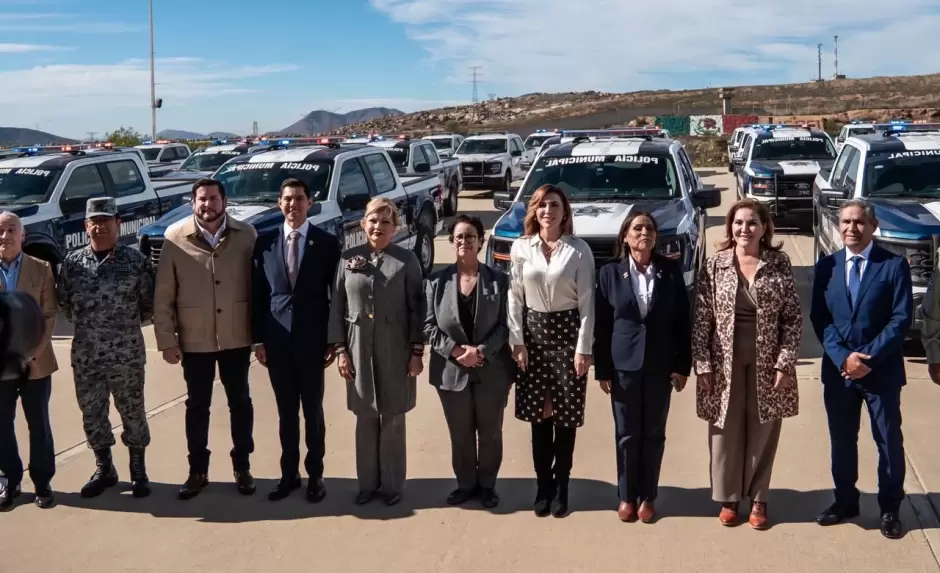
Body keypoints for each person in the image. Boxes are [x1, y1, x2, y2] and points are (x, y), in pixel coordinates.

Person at [692, 198, 802, 530]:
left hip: (768, 362)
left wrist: (784, 362)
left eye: (752, 223)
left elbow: (792, 318)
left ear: (765, 227)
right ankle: (727, 497)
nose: (745, 229)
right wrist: (703, 365)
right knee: (724, 429)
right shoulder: (715, 265)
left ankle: (758, 499)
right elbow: (701, 319)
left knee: (763, 428)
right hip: (723, 361)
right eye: (738, 223)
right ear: (730, 228)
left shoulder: (779, 263)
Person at [810, 199, 912, 539]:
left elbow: (900, 320)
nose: (851, 228)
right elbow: (820, 319)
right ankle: (845, 501)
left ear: (873, 227)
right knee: (842, 440)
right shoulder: (827, 267)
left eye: (859, 222)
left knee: (887, 441)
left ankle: (890, 508)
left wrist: (866, 359)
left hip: (880, 373)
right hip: (839, 373)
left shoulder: (894, 266)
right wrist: (843, 358)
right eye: (846, 222)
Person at [154, 178, 258, 500]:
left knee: (240, 401)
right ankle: (197, 470)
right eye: (201, 199)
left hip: (236, 336)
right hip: (194, 339)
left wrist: (261, 336)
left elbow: (259, 287)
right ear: (193, 202)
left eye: (213, 198)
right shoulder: (174, 238)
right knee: (197, 406)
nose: (207, 204)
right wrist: (166, 340)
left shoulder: (247, 236)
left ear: (224, 201)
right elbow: (163, 295)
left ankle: (242, 465)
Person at [594, 211, 691, 524]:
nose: (644, 233)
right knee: (626, 433)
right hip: (623, 366)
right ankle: (626, 496)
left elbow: (682, 322)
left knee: (653, 433)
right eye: (637, 228)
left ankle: (648, 496)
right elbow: (603, 324)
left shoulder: (671, 270)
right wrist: (603, 369)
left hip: (660, 365)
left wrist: (681, 365)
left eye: (649, 228)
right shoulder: (609, 273)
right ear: (625, 236)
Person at [328, 197, 425, 506]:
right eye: (373, 220)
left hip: (395, 349)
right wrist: (341, 350)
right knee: (365, 417)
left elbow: (417, 309)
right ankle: (367, 484)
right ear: (363, 223)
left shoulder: (406, 260)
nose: (378, 226)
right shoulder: (348, 259)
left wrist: (417, 351)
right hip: (357, 349)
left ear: (395, 227)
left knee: (393, 418)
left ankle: (392, 485)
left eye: (385, 221)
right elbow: (337, 308)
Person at [57, 198, 155, 499]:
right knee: (92, 413)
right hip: (86, 355)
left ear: (118, 223)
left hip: (126, 353)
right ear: (86, 226)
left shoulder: (136, 262)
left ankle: (138, 468)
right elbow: (66, 306)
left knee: (133, 412)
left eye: (106, 220)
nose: (100, 226)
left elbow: (147, 307)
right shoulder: (72, 264)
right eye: (93, 222)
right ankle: (104, 468)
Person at [251, 178, 341, 503]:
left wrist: (334, 340)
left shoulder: (327, 244)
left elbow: (336, 296)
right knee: (286, 413)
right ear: (279, 203)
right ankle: (289, 475)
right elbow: (258, 296)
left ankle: (315, 475)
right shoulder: (264, 244)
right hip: (276, 343)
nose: (293, 205)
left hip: (313, 343)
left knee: (312, 411)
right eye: (287, 199)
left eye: (299, 199)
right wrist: (257, 341)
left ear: (309, 203)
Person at [508, 183, 595, 518]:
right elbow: (514, 298)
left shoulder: (578, 251)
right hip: (533, 340)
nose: (548, 211)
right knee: (539, 418)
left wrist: (583, 348)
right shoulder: (521, 248)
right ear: (534, 211)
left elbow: (587, 304)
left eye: (554, 205)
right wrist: (517, 341)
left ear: (564, 212)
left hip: (567, 338)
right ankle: (542, 487)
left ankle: (562, 487)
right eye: (542, 205)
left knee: (565, 418)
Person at [424, 214, 514, 509]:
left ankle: (488, 485)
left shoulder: (500, 281)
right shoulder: (436, 282)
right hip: (451, 370)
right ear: (451, 243)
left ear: (480, 241)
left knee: (490, 432)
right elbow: (427, 325)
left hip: (492, 370)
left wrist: (482, 351)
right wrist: (453, 350)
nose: (465, 241)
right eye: (459, 237)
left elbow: (506, 324)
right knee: (460, 432)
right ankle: (465, 484)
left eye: (471, 237)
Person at [0, 212, 58, 510]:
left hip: (35, 360)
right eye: (0, 231)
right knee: (1, 425)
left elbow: (49, 314)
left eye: (11, 230)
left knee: (39, 424)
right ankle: (9, 480)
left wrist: (34, 348)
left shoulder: (41, 268)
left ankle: (43, 481)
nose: (5, 236)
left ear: (22, 235)